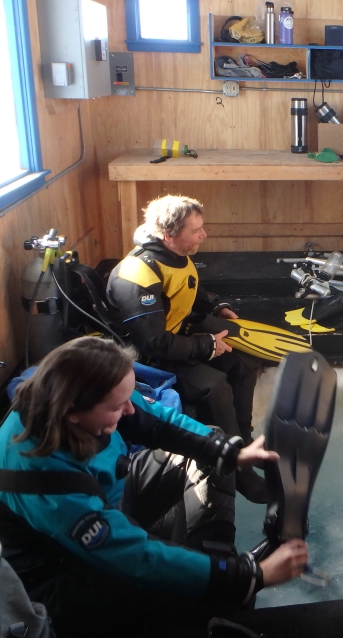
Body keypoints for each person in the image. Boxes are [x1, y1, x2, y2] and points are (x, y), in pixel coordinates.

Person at [0, 337, 308, 637]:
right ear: (73, 413)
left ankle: (217, 567)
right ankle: (219, 593)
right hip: (64, 574)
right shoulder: (44, 481)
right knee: (193, 594)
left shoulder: (81, 395)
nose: (128, 410)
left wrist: (230, 452)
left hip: (108, 496)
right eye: (116, 407)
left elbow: (153, 418)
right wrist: (249, 577)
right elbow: (135, 556)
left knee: (208, 456)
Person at [106, 194, 268, 504]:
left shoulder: (175, 254)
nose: (203, 234)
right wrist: (206, 346)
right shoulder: (137, 275)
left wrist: (215, 306)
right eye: (195, 230)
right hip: (146, 357)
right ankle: (237, 470)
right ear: (169, 235)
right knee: (215, 386)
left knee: (244, 363)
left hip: (173, 334)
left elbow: (188, 286)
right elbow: (153, 343)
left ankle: (244, 440)